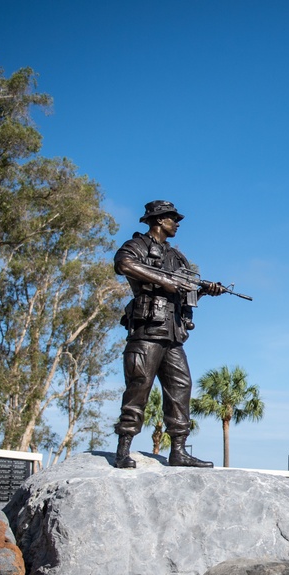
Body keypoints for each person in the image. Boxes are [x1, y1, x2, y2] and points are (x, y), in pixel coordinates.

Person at [112, 200, 224, 469]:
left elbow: (186, 289)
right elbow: (123, 264)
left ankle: (178, 451)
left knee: (180, 387)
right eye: (173, 218)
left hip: (173, 333)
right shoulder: (137, 245)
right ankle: (123, 450)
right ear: (159, 220)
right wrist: (164, 280)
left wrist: (206, 289)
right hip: (147, 330)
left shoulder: (176, 256)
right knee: (139, 387)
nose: (177, 223)